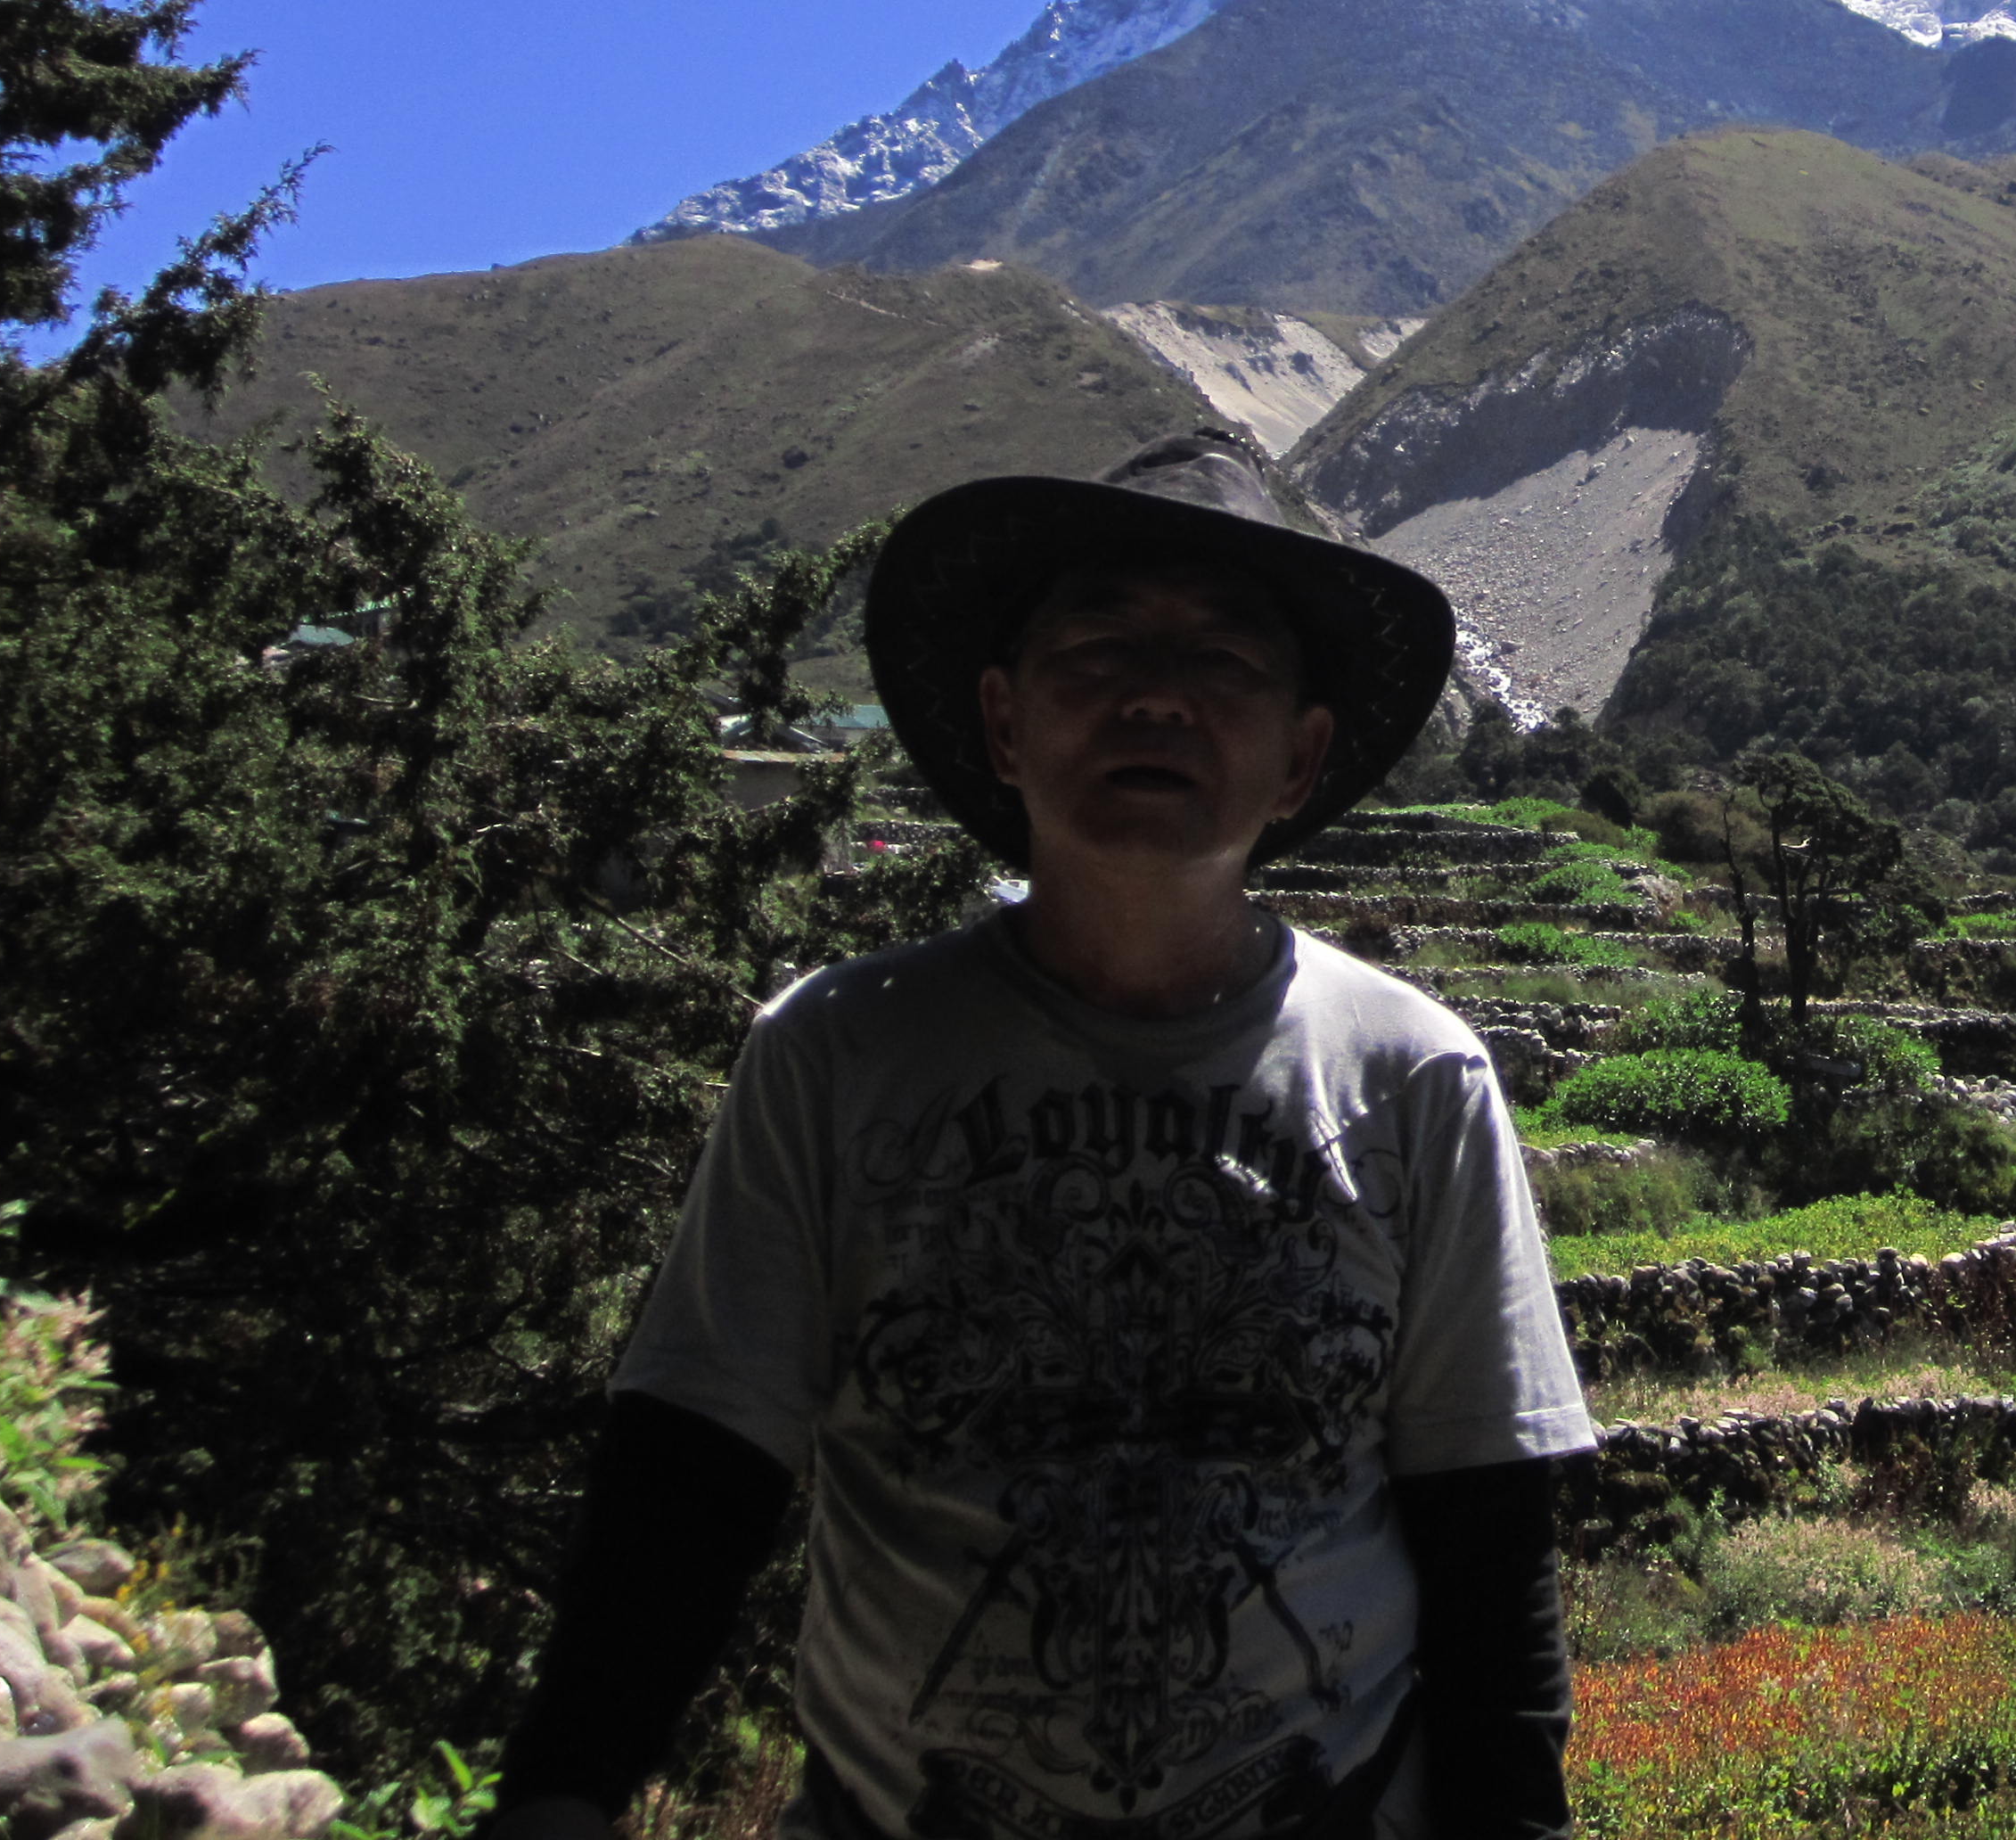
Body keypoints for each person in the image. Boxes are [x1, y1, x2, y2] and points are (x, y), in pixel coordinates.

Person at [480, 431, 1595, 1840]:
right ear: (1006, 724)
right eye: (1101, 647)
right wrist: (563, 1792)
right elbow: (692, 1482)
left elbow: (1489, 1538)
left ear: (1301, 757)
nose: (1156, 697)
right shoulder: (831, 1054)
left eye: (1225, 665)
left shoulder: (1415, 1078)